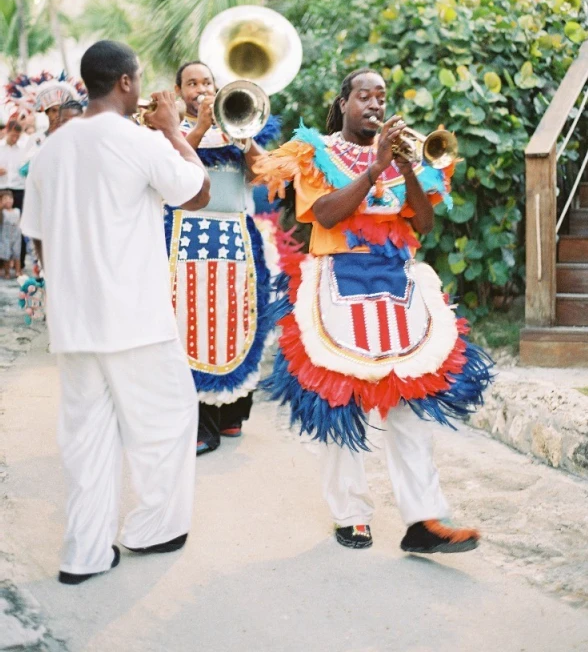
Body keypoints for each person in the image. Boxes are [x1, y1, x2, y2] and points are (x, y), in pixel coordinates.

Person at [254, 68, 493, 553]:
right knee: (343, 400)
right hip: (337, 280)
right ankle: (351, 514)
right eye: (363, 95)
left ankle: (423, 519)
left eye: (381, 96)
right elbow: (324, 215)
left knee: (412, 400)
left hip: (396, 284)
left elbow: (422, 223)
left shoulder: (408, 156)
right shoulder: (314, 151)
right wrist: (372, 167)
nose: (374, 104)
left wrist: (404, 167)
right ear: (343, 103)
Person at [21, 40, 210, 585]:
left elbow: (37, 238)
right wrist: (175, 130)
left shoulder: (52, 149)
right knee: (168, 422)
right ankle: (153, 529)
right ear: (126, 83)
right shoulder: (137, 139)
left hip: (74, 324)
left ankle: (84, 554)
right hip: (135, 319)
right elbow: (196, 193)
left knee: (86, 440)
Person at [166, 60, 280, 455]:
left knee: (237, 319)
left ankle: (232, 413)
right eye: (191, 83)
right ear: (179, 91)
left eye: (207, 82)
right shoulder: (171, 132)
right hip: (184, 240)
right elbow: (173, 167)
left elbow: (263, 173)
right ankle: (199, 424)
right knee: (190, 326)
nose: (200, 88)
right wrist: (199, 124)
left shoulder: (239, 123)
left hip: (236, 241)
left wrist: (244, 138)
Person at [0, 121, 28, 269]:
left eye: (18, 136)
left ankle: (19, 262)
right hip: (2, 188)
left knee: (19, 227)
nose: (15, 139)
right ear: (7, 131)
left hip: (18, 190)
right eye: (13, 135)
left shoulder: (23, 150)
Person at [0, 189, 22, 277]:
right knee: (6, 255)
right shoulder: (2, 212)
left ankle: (18, 271)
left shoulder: (17, 211)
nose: (8, 200)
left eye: (10, 198)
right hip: (5, 236)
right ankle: (7, 272)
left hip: (16, 236)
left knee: (17, 254)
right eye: (5, 198)